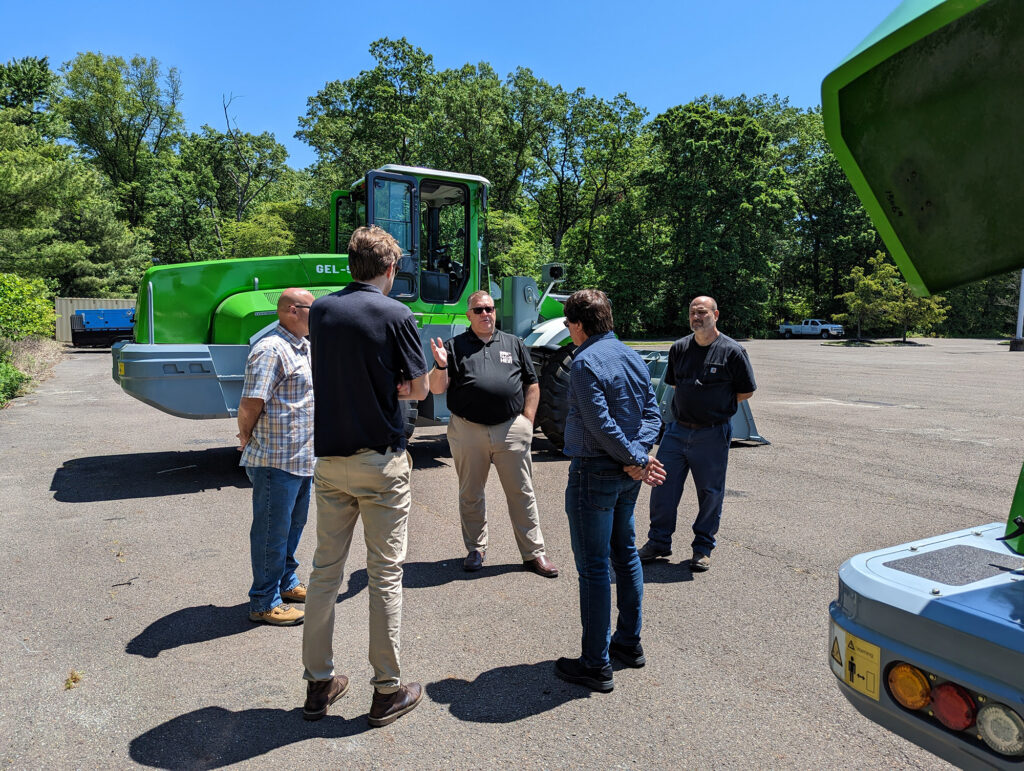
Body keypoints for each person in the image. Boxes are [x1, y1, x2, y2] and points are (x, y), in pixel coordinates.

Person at [301, 226, 430, 726]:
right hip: (380, 463)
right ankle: (386, 691)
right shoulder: (395, 313)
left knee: (323, 574)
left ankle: (318, 685)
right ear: (390, 269)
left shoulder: (322, 312)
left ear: (350, 265)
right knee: (385, 576)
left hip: (329, 462)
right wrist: (398, 384)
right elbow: (419, 388)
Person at [555, 289, 666, 693]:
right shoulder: (633, 355)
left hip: (597, 472)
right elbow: (654, 413)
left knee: (595, 568)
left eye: (568, 324)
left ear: (579, 325)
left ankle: (595, 663)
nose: (569, 332)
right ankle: (628, 644)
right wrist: (639, 458)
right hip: (626, 475)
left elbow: (599, 425)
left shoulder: (584, 362)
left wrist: (635, 458)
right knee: (625, 555)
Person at [427, 290, 558, 578]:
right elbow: (437, 388)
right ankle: (476, 548)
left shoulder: (514, 344)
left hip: (511, 429)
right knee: (471, 493)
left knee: (522, 492)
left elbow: (532, 385)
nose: (485, 314)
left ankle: (534, 553)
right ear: (468, 315)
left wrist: (527, 422)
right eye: (478, 310)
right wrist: (440, 364)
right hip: (468, 430)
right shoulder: (453, 346)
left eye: (489, 308)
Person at [637, 295, 756, 572]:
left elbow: (746, 390)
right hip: (677, 431)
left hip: (712, 434)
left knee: (710, 492)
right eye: (692, 312)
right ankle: (658, 542)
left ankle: (702, 548)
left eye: (701, 312)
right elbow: (676, 385)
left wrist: (716, 408)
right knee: (662, 487)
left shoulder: (732, 351)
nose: (696, 317)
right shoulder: (679, 348)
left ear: (716, 314)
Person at [238, 287, 316, 627]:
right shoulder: (271, 349)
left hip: (301, 459)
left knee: (291, 528)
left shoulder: (304, 347)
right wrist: (245, 437)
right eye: (314, 309)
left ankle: (286, 583)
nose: (320, 315)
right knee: (272, 532)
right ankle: (263, 601)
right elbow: (251, 403)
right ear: (292, 311)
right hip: (275, 460)